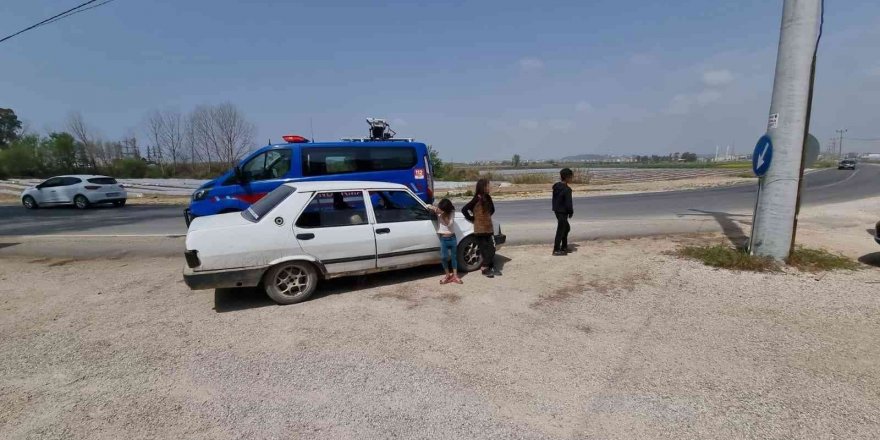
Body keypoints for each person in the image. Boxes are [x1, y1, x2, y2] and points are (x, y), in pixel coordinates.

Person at [463, 178, 500, 277]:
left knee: (491, 249)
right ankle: (485, 267)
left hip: (488, 227)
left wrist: (486, 217)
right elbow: (464, 209)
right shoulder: (477, 198)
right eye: (488, 185)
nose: (490, 187)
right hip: (480, 229)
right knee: (485, 249)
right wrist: (473, 218)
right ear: (483, 187)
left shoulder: (488, 197)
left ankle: (489, 267)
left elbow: (492, 210)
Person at [427, 198, 463, 284]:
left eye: (442, 209)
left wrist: (442, 215)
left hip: (452, 238)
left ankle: (455, 276)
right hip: (443, 239)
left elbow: (449, 224)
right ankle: (447, 275)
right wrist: (432, 208)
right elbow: (430, 208)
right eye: (439, 208)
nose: (439, 209)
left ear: (446, 209)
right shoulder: (439, 211)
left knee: (454, 258)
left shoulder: (451, 213)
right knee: (443, 258)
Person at [552, 168, 574, 256]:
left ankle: (564, 247)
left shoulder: (556, 186)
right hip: (563, 212)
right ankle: (556, 250)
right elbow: (569, 203)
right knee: (561, 230)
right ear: (567, 177)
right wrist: (571, 212)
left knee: (566, 228)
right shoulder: (567, 189)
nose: (572, 178)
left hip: (557, 211)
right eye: (571, 177)